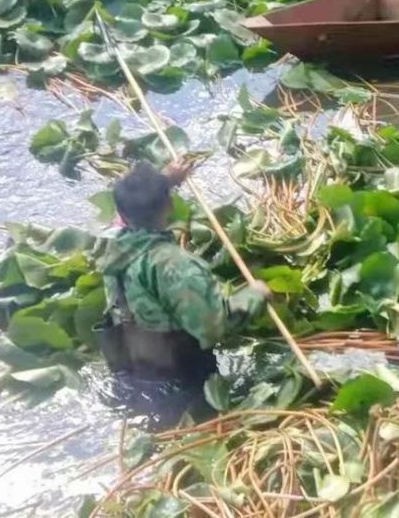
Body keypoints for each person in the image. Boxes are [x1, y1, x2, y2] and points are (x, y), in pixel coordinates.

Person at [95, 159, 269, 381]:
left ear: (122, 214)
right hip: (177, 376)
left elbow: (131, 212)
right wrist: (255, 295)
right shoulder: (176, 267)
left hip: (132, 366)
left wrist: (167, 181)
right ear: (169, 205)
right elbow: (213, 326)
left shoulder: (110, 247)